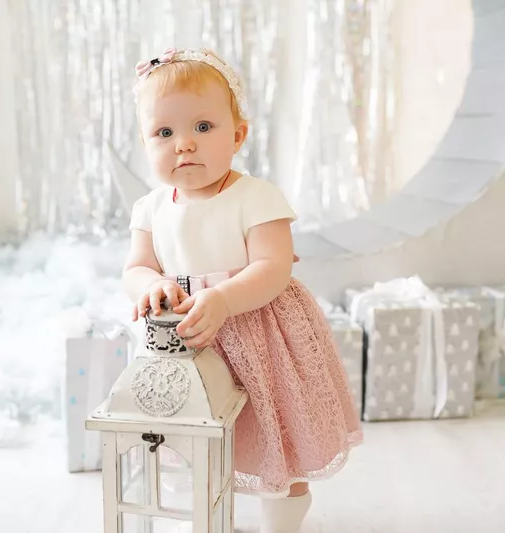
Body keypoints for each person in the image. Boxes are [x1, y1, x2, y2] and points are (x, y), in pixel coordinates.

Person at [122, 47, 362, 533]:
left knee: (280, 439)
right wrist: (153, 284)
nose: (183, 145)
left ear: (237, 135)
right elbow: (136, 267)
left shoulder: (256, 196)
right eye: (164, 133)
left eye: (202, 128)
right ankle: (213, 519)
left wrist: (225, 297)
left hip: (261, 332)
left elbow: (273, 268)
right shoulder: (150, 208)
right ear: (145, 142)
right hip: (189, 337)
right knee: (207, 444)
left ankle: (282, 522)